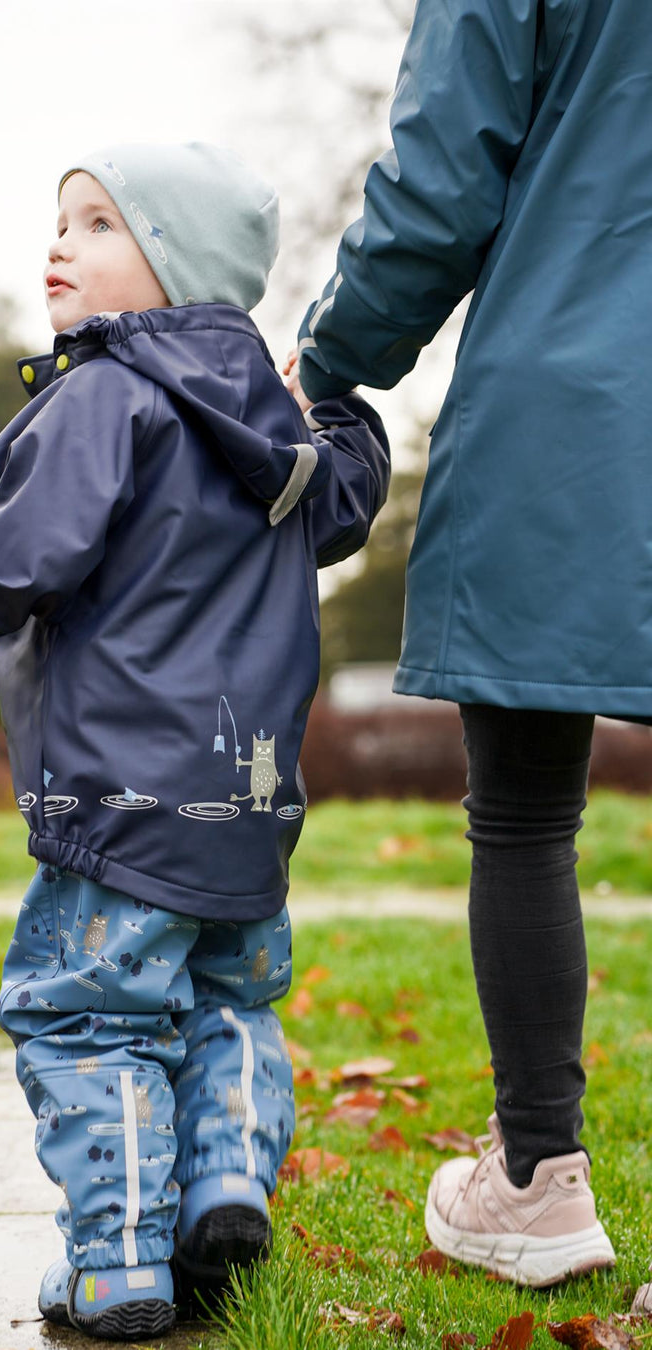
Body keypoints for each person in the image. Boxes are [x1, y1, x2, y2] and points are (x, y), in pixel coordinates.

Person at [0, 142, 389, 1340]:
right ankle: (223, 1186)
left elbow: (13, 560)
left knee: (86, 1016)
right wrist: (327, 403)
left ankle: (119, 1262)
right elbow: (350, 493)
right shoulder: (275, 429)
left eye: (101, 224)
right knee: (228, 999)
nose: (60, 243)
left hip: (119, 804)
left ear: (180, 270)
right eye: (61, 220)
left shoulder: (99, 401)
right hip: (251, 807)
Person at [287, 0, 650, 1289]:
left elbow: (441, 188)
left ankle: (537, 1182)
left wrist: (326, 358)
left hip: (582, 399)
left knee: (526, 811)